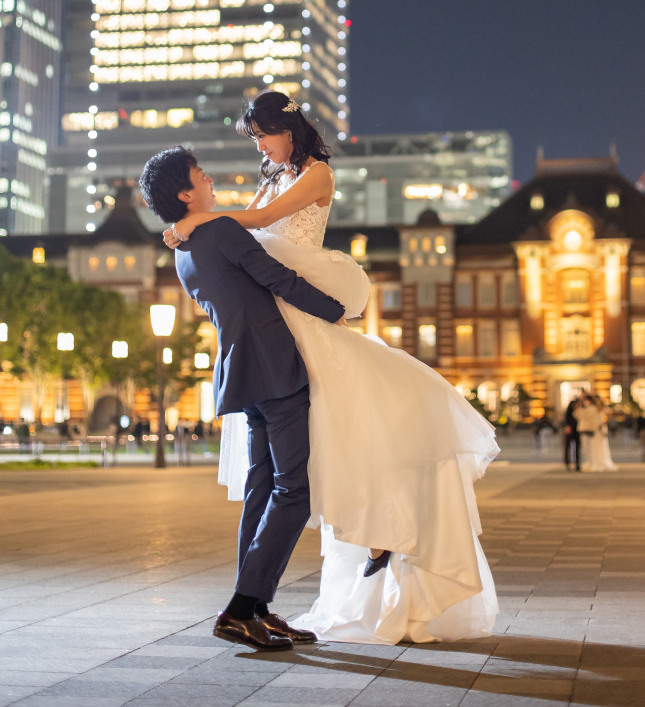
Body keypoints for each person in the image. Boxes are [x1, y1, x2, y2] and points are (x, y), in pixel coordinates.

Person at [159, 89, 499, 645]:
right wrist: (196, 223)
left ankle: (374, 533)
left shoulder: (314, 176)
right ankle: (263, 597)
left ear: (288, 132)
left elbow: (261, 223)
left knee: (364, 416)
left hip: (296, 315)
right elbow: (250, 250)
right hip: (283, 327)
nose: (259, 148)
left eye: (263, 136)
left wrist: (194, 219)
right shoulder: (268, 176)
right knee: (308, 454)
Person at [140, 142, 347, 653]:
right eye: (202, 176)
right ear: (187, 193)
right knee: (293, 490)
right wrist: (335, 309)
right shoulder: (220, 231)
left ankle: (256, 609)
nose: (211, 180)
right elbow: (274, 278)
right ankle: (240, 608)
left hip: (241, 373)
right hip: (274, 368)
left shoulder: (185, 254)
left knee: (262, 488)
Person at [563, 395, 582, 471]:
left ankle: (577, 463)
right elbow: (567, 417)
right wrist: (567, 426)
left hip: (577, 430)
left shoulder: (580, 409)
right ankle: (567, 463)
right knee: (568, 447)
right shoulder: (570, 408)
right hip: (570, 429)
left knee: (577, 447)